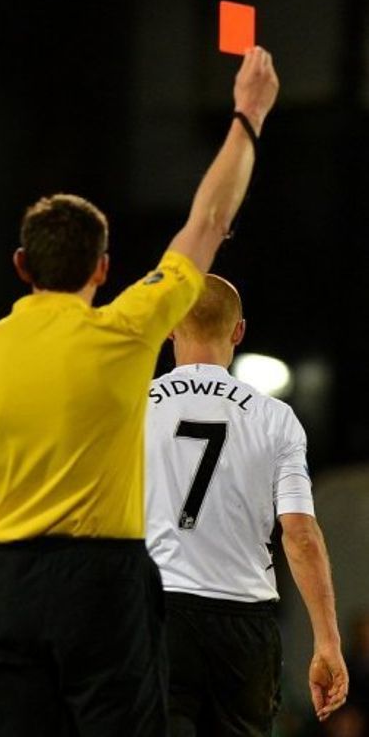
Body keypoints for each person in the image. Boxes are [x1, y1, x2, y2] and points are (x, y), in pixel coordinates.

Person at [0, 47, 279, 737]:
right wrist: (248, 115)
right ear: (104, 268)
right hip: (107, 584)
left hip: (13, 581)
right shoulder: (128, 329)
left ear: (21, 264)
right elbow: (205, 223)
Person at [145, 274, 349, 737]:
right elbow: (299, 535)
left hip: (159, 611)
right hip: (243, 622)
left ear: (172, 326)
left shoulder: (135, 406)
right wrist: (327, 641)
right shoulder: (275, 419)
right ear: (238, 332)